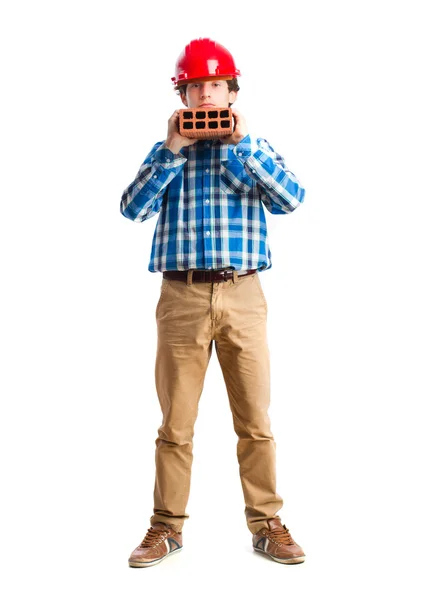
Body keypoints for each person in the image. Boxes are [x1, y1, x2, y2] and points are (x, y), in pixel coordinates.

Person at [120, 37, 306, 568]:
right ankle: (166, 528)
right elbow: (131, 209)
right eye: (195, 87)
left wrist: (245, 144)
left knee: (255, 419)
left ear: (231, 91)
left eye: (215, 86)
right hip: (180, 297)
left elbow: (292, 198)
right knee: (175, 424)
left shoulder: (255, 148)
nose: (205, 97)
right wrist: (172, 151)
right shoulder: (167, 151)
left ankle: (267, 523)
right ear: (182, 95)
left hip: (244, 294)